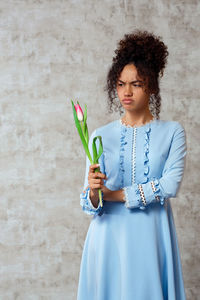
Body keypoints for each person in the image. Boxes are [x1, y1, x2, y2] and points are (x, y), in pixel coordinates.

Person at [77, 29, 187, 300]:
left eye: (136, 84)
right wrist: (93, 191)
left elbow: (170, 185)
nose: (126, 92)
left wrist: (112, 194)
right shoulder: (100, 135)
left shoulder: (173, 132)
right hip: (107, 240)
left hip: (151, 236)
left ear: (151, 85)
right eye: (121, 84)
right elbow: (89, 202)